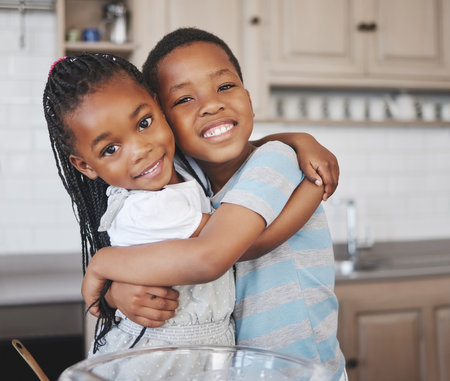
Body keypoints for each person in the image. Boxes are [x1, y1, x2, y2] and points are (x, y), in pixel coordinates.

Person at [82, 28, 345, 380]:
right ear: (164, 121)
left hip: (299, 370)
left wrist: (105, 265)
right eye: (184, 100)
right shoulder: (185, 179)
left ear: (248, 97)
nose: (211, 104)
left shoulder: (275, 160)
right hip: (237, 368)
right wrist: (117, 294)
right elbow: (166, 257)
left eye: (224, 87)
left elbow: (221, 252)